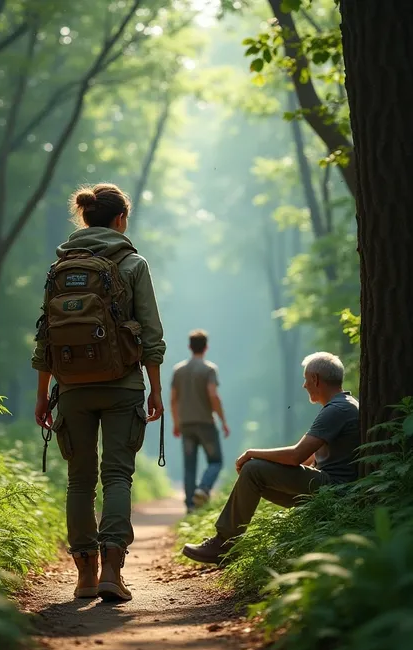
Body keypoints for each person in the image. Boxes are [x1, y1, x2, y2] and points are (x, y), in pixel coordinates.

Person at [32, 183, 165, 601]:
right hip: (123, 384)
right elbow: (151, 334)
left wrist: (43, 393)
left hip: (71, 388)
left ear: (85, 219)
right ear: (120, 219)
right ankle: (112, 570)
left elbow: (46, 339)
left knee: (79, 482)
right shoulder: (133, 263)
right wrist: (155, 390)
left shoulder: (59, 268)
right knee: (117, 476)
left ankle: (84, 575)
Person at [182, 352, 359, 564]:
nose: (304, 386)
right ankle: (227, 544)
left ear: (316, 379)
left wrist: (252, 454)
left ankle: (224, 543)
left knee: (253, 469)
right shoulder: (344, 404)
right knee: (256, 473)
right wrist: (268, 466)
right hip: (333, 486)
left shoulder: (337, 409)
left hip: (334, 488)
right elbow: (307, 458)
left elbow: (296, 456)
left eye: (306, 379)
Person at [171, 329, 229, 512]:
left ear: (189, 346)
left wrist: (176, 423)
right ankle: (203, 489)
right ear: (206, 347)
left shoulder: (178, 370)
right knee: (215, 461)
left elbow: (173, 399)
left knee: (189, 466)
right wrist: (223, 420)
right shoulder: (209, 369)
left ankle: (190, 507)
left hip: (186, 425)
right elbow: (213, 395)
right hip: (205, 424)